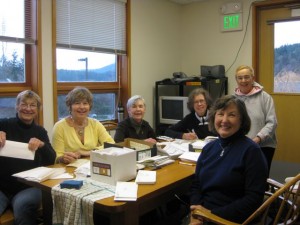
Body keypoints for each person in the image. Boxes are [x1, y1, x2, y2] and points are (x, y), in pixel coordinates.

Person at [189, 95, 268, 224]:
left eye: (231, 115)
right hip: (201, 215)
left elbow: (253, 199)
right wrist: (195, 211)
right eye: (220, 114)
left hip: (230, 219)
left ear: (241, 120)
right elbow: (196, 185)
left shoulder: (251, 151)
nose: (224, 120)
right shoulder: (208, 148)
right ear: (214, 117)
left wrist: (210, 215)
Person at [0, 90, 56, 225]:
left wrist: (42, 145)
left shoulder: (40, 131)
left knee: (24, 210)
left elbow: (51, 159)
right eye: (24, 104)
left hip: (28, 187)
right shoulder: (3, 124)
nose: (28, 109)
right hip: (1, 187)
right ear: (17, 106)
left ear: (38, 110)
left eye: (33, 105)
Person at [52, 86, 115, 164]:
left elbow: (111, 145)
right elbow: (56, 157)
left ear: (89, 106)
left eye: (85, 103)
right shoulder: (59, 127)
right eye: (77, 103)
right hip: (68, 170)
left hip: (92, 167)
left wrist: (87, 152)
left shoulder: (95, 124)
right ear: (70, 106)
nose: (82, 107)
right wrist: (62, 159)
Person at [234, 65, 277, 174]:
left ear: (253, 78)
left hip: (262, 146)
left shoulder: (265, 97)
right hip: (239, 146)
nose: (243, 80)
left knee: (259, 179)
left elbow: (272, 123)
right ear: (236, 80)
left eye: (247, 77)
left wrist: (257, 139)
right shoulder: (233, 99)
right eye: (240, 78)